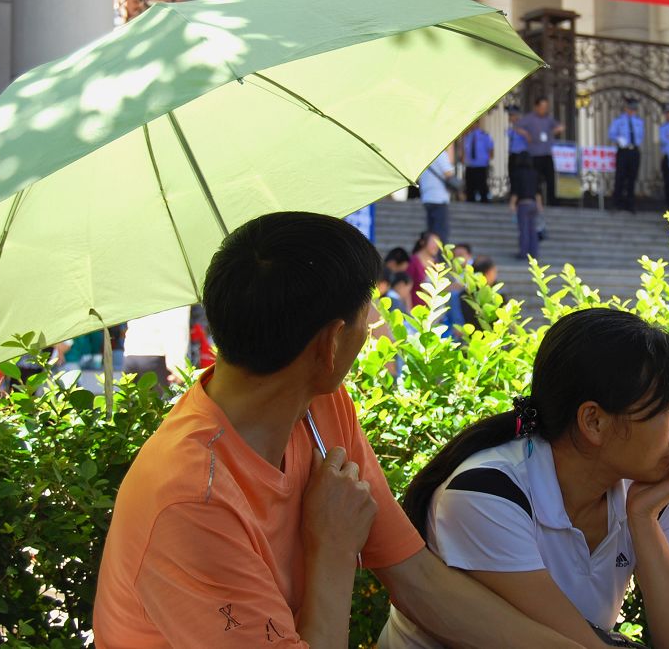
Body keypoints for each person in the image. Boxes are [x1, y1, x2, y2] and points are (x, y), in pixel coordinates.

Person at [94, 212, 581, 649]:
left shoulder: (321, 406)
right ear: (329, 344)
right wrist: (330, 547)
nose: (373, 322)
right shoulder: (191, 499)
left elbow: (414, 577)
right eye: (364, 311)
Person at [383, 309, 669, 648]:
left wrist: (644, 520)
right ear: (593, 421)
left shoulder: (651, 490)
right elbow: (566, 643)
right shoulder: (487, 494)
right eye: (665, 411)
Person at [122, 305, 191, 394]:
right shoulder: (177, 296)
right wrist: (178, 368)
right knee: (163, 404)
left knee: (131, 403)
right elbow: (177, 328)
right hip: (156, 355)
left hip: (131, 352)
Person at [517, 97, 563, 206]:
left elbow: (560, 126)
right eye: (542, 107)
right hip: (534, 154)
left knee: (550, 179)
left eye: (546, 107)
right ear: (536, 107)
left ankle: (553, 202)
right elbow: (517, 126)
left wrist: (555, 130)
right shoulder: (529, 118)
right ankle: (536, 202)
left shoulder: (549, 119)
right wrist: (526, 134)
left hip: (547, 153)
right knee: (535, 180)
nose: (544, 109)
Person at [608, 97, 644, 213]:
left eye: (634, 109)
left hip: (634, 150)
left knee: (632, 177)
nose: (632, 111)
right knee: (620, 177)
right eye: (630, 108)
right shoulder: (618, 121)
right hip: (623, 151)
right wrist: (618, 139)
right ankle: (617, 202)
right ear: (625, 108)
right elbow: (611, 134)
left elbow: (641, 136)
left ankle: (630, 203)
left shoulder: (639, 121)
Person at [420, 150, 453, 242]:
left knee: (432, 233)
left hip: (426, 197)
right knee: (440, 234)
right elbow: (448, 173)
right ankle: (439, 256)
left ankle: (432, 254)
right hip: (439, 198)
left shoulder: (423, 155)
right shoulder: (440, 154)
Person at [407, 231, 441, 308]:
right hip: (415, 306)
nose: (436, 246)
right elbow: (406, 288)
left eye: (438, 243)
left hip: (432, 307)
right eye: (433, 242)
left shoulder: (436, 263)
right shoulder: (413, 261)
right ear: (422, 242)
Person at [462, 122, 494, 203]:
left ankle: (484, 201)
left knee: (482, 184)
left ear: (478, 124)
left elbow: (490, 148)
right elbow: (465, 149)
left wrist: (488, 159)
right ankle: (470, 201)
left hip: (481, 165)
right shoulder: (467, 136)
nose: (472, 126)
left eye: (474, 124)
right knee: (470, 185)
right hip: (470, 164)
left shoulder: (484, 135)